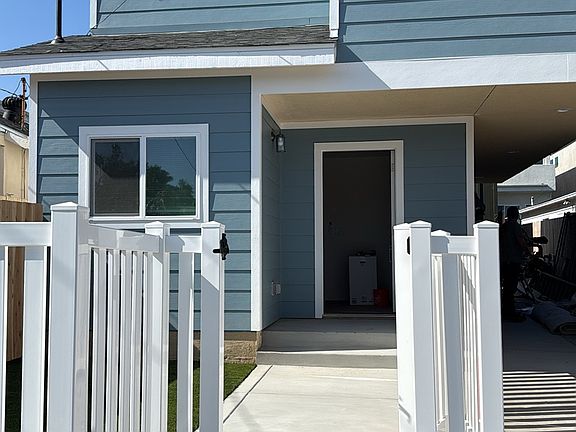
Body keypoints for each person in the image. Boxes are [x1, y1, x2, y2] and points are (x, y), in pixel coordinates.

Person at [499, 206, 530, 322]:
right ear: (516, 215)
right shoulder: (515, 226)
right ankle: (510, 312)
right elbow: (520, 241)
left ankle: (505, 310)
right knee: (511, 287)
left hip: (503, 261)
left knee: (505, 287)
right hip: (513, 261)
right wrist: (527, 251)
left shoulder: (503, 227)